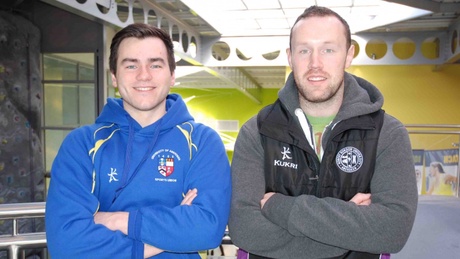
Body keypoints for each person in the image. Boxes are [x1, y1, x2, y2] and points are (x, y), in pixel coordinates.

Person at [228, 6, 418, 259]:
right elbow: (245, 229)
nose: (315, 63)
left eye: (328, 49)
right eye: (304, 50)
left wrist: (280, 207)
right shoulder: (257, 131)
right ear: (290, 56)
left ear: (348, 55)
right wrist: (353, 232)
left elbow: (393, 230)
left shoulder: (387, 133)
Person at [45, 23, 231, 258]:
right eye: (131, 65)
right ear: (114, 76)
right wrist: (168, 237)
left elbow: (207, 229)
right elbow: (67, 245)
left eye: (155, 64)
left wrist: (117, 220)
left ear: (172, 75)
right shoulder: (82, 144)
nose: (144, 75)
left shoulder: (202, 142)